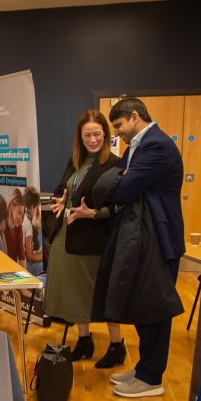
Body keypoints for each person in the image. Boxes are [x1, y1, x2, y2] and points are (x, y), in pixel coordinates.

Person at [97, 97, 185, 397]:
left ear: (135, 117)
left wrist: (119, 180)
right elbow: (117, 186)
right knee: (141, 303)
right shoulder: (135, 148)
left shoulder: (156, 146)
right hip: (144, 240)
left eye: (119, 125)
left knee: (155, 308)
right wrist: (120, 179)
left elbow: (121, 190)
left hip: (161, 239)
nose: (116, 133)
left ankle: (151, 378)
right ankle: (144, 367)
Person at [45, 110, 124, 368]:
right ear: (80, 137)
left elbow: (120, 205)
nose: (92, 140)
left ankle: (117, 346)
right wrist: (59, 199)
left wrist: (93, 213)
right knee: (75, 293)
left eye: (96, 134)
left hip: (93, 241)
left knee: (100, 294)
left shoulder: (115, 164)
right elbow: (62, 188)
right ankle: (84, 340)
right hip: (66, 238)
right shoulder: (75, 160)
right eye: (87, 135)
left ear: (106, 134)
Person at [23, 185, 43, 276]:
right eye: (37, 207)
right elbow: (30, 257)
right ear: (32, 207)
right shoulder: (27, 224)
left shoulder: (25, 218)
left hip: (25, 262)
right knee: (46, 266)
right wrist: (44, 256)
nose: (38, 210)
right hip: (26, 265)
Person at [5, 188, 26, 266]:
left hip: (12, 269)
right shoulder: (2, 226)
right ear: (11, 207)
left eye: (22, 215)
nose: (21, 218)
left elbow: (22, 258)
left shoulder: (18, 228)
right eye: (19, 213)